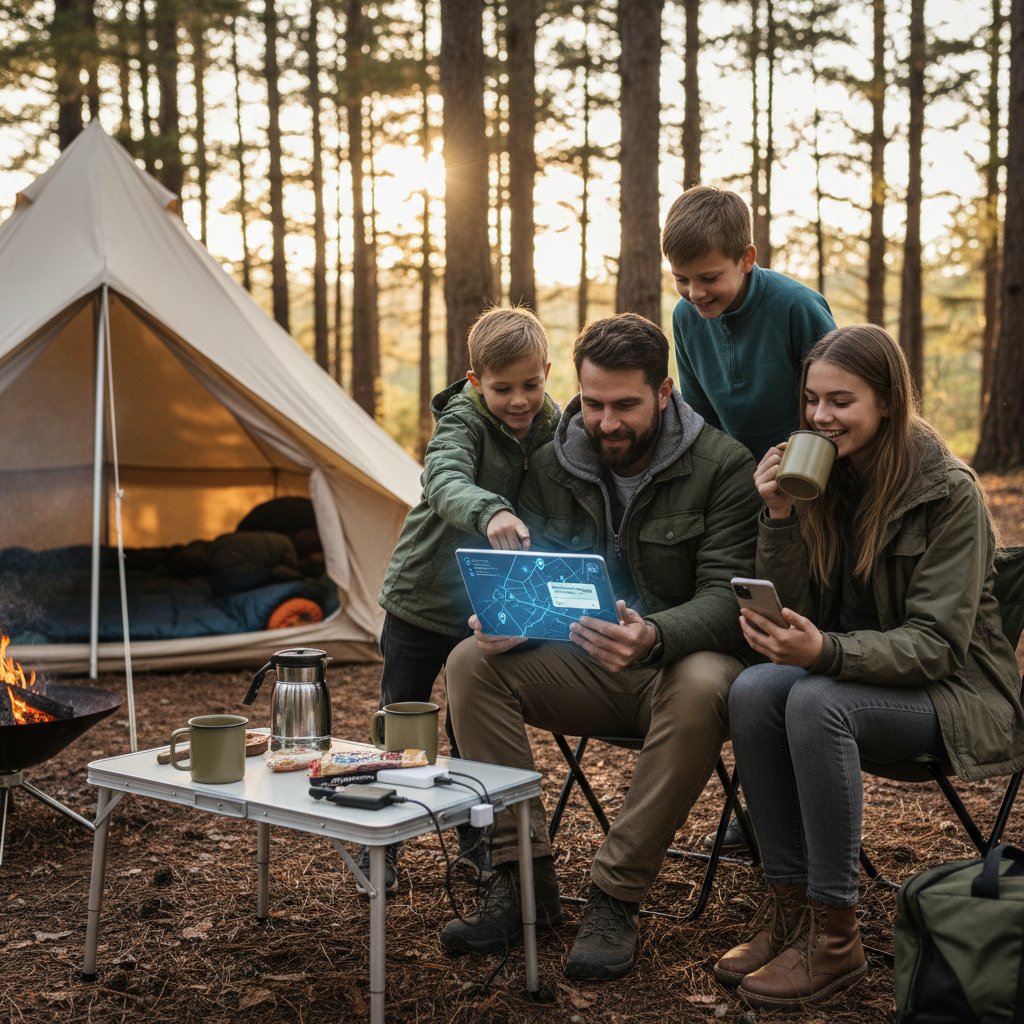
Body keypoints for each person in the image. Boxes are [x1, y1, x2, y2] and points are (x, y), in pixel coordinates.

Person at [440, 312, 761, 981]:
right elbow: (540, 571)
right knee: (471, 661)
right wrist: (511, 618)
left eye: (625, 405)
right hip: (583, 664)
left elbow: (726, 600)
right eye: (591, 404)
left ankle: (615, 898)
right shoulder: (553, 460)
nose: (606, 422)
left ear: (665, 393)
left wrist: (654, 636)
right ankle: (522, 879)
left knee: (705, 679)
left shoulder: (724, 467)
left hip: (676, 673)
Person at [715, 325, 1024, 1010]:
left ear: (887, 401)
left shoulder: (948, 495)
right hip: (860, 682)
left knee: (814, 699)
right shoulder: (830, 479)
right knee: (757, 686)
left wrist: (825, 652)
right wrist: (779, 516)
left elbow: (937, 645)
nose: (821, 417)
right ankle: (789, 912)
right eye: (812, 400)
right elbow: (800, 608)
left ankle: (835, 939)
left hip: (956, 699)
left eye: (842, 401)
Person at [362, 305, 560, 893]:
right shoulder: (462, 420)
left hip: (488, 606)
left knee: (469, 727)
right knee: (403, 721)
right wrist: (489, 508)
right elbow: (443, 478)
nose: (519, 400)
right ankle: (383, 840)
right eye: (503, 389)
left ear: (546, 372)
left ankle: (478, 842)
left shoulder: (552, 425)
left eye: (531, 384)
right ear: (476, 382)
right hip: (421, 601)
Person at [662, 184, 836, 461]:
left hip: (807, 466)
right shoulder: (685, 317)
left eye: (709, 278)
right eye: (681, 279)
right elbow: (700, 417)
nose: (695, 293)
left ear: (746, 259)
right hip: (735, 472)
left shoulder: (797, 307)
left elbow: (837, 404)